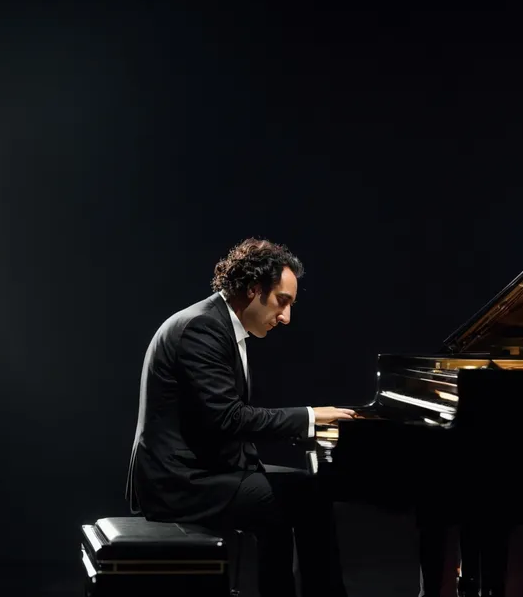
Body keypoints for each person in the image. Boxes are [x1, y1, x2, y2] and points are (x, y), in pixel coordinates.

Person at [125, 237, 355, 597]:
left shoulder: (221, 324)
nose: (286, 317)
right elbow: (228, 419)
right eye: (282, 301)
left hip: (204, 468)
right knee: (306, 499)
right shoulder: (202, 328)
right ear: (253, 289)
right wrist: (310, 418)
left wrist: (308, 426)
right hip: (179, 482)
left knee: (304, 491)